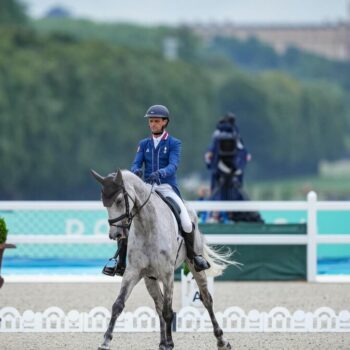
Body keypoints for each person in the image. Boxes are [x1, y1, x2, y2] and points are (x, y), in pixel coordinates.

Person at [108, 105, 210, 276]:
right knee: (127, 222)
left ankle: (194, 256)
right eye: (151, 121)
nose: (153, 124)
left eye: (156, 121)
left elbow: (173, 165)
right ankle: (120, 262)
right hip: (147, 189)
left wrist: (161, 172)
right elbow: (136, 163)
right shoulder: (144, 144)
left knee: (186, 221)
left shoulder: (174, 143)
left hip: (166, 187)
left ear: (164, 122)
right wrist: (136, 172)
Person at [205, 112, 250, 201]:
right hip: (233, 169)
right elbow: (242, 152)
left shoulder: (217, 134)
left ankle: (214, 211)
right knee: (236, 194)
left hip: (219, 168)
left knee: (215, 194)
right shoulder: (235, 134)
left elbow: (210, 155)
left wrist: (211, 161)